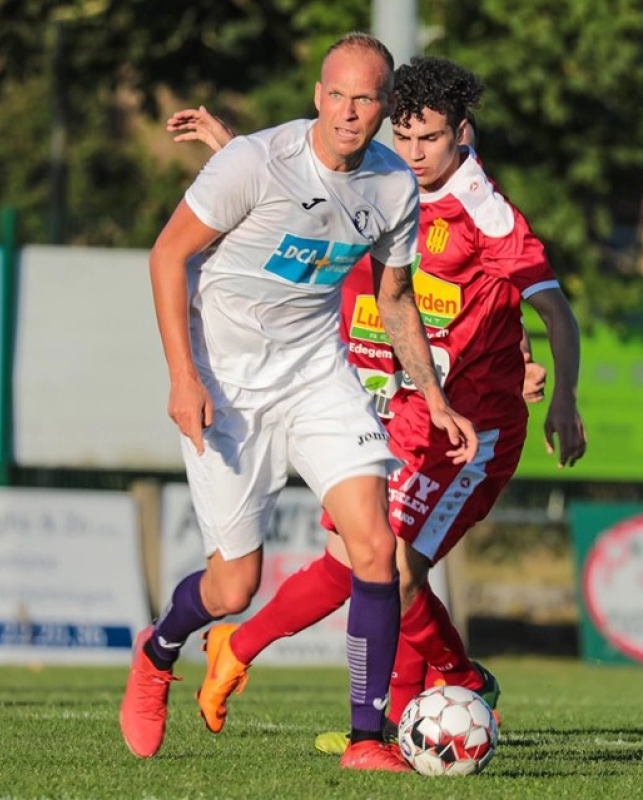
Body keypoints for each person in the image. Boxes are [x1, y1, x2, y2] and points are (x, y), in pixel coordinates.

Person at [170, 55, 587, 753]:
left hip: (470, 430)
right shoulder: (382, 180)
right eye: (406, 137)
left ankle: (425, 697)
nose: (416, 154)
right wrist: (231, 151)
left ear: (463, 133)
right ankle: (274, 660)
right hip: (396, 411)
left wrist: (562, 399)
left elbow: (557, 311)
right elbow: (294, 190)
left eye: (431, 139)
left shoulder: (484, 213)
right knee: (359, 559)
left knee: (388, 566)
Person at [119, 33, 479, 774]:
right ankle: (158, 652)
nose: (350, 112)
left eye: (366, 99)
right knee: (233, 586)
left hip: (317, 374)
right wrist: (182, 378)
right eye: (338, 95)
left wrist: (435, 398)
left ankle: (366, 741)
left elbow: (396, 296)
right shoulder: (254, 161)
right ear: (318, 96)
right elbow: (166, 255)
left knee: (374, 547)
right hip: (227, 383)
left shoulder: (392, 186)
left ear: (385, 108)